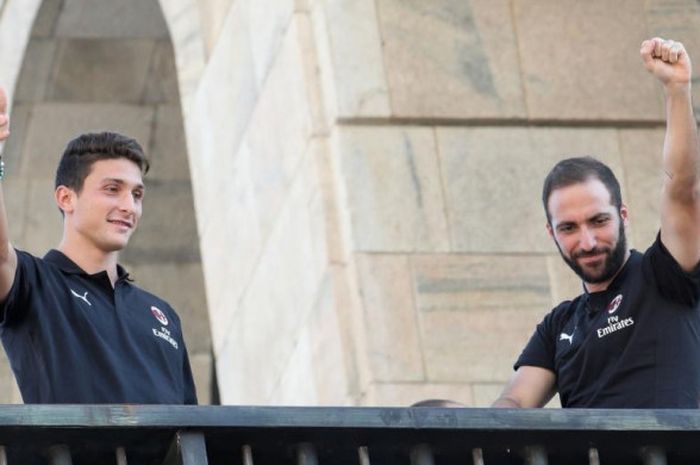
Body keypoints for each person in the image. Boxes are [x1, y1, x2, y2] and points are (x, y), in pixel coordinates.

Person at [492, 37, 700, 408]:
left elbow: (683, 188)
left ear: (623, 214)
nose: (587, 241)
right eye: (568, 228)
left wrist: (677, 90)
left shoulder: (665, 275)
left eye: (598, 221)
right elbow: (512, 408)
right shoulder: (558, 326)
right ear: (551, 234)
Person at [0, 87, 197, 404]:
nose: (129, 206)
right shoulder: (36, 284)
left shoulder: (162, 314)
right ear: (67, 198)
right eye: (112, 189)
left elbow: (190, 431)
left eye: (136, 194)